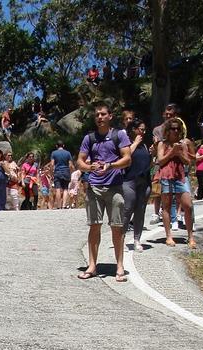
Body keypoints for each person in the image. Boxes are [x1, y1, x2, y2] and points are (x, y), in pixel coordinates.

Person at [77, 103, 132, 281]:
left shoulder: (119, 135)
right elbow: (80, 162)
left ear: (110, 116)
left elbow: (127, 159)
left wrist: (111, 166)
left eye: (103, 114)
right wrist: (89, 167)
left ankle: (120, 266)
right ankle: (92, 266)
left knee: (117, 227)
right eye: (97, 115)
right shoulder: (89, 138)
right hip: (94, 187)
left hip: (115, 186)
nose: (99, 117)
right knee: (94, 225)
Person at [156, 120, 196, 248]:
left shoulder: (182, 144)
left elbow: (188, 161)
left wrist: (179, 153)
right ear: (168, 131)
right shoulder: (162, 144)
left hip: (180, 176)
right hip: (166, 175)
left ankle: (190, 236)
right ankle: (169, 236)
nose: (176, 131)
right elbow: (160, 161)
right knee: (166, 206)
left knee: (188, 205)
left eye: (178, 129)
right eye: (173, 129)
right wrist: (171, 152)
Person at [123, 119, 151, 251]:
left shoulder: (144, 146)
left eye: (144, 130)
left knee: (140, 211)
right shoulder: (126, 143)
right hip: (129, 181)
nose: (143, 132)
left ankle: (137, 240)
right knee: (127, 210)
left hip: (144, 181)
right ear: (134, 130)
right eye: (141, 129)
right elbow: (125, 158)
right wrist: (135, 143)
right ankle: (120, 238)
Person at [48, 141, 73, 209]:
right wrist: (70, 173)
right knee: (65, 189)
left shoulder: (54, 153)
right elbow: (70, 165)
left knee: (58, 189)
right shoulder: (68, 153)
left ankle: (58, 206)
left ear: (56, 146)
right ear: (63, 145)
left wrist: (51, 173)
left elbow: (52, 164)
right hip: (66, 172)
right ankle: (64, 205)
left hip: (57, 172)